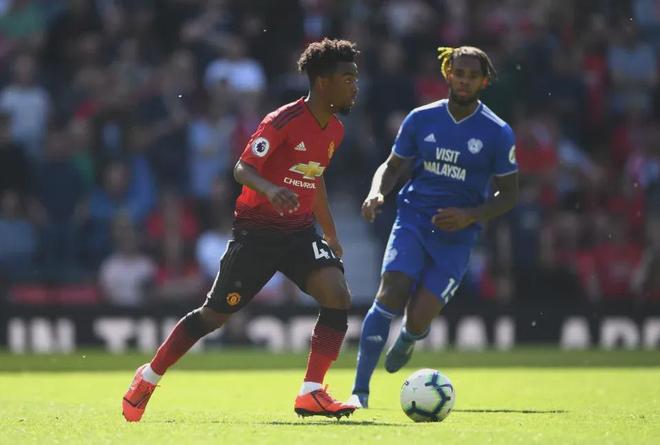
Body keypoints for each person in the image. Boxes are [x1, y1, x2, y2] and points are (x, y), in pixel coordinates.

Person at [122, 38, 360, 421]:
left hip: (299, 231)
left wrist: (330, 233)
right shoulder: (282, 121)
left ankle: (311, 391)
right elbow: (242, 169)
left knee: (337, 294)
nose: (355, 86)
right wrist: (271, 189)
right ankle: (148, 376)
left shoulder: (335, 130)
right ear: (322, 81)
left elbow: (314, 178)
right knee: (213, 316)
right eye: (348, 78)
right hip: (257, 234)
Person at [348, 46, 519, 408]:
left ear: (484, 82)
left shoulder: (498, 132)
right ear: (447, 74)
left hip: (458, 235)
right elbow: (393, 166)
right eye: (459, 73)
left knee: (419, 315)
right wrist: (377, 192)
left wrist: (470, 215)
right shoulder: (421, 119)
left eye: (472, 76)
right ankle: (359, 391)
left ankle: (410, 337)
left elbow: (509, 195)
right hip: (414, 217)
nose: (464, 81)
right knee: (391, 292)